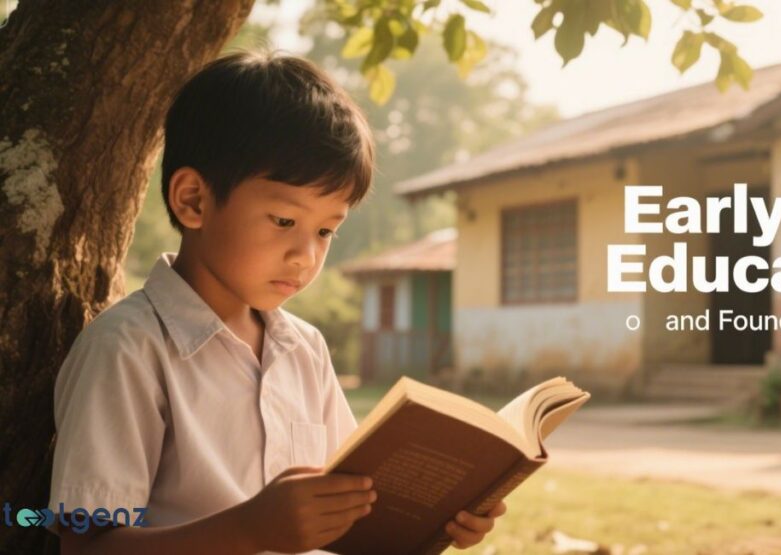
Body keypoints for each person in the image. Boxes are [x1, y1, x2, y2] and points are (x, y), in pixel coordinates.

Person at [47, 50, 506, 554]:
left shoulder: (304, 349)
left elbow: (350, 515)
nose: (305, 256)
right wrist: (249, 530)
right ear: (193, 201)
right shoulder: (127, 350)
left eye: (327, 230)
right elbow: (85, 546)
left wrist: (433, 521)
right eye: (285, 221)